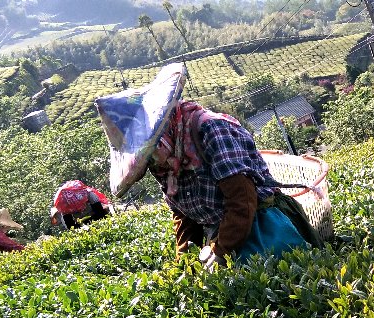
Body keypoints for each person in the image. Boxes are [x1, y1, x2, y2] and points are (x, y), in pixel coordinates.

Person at [95, 63, 321, 270]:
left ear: (164, 128)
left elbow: (243, 200)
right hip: (222, 231)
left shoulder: (211, 130)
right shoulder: (164, 158)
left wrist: (221, 251)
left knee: (271, 278)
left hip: (263, 223)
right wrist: (185, 261)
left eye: (151, 150)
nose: (153, 162)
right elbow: (184, 214)